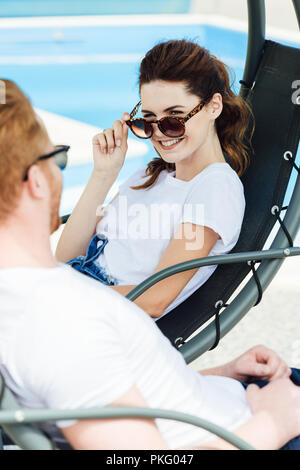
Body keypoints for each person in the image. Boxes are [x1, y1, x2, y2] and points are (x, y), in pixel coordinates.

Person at [0, 79, 300, 451]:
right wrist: (276, 421)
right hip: (256, 430)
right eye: (56, 157)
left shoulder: (31, 294)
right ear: (35, 182)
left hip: (222, 398)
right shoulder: (68, 324)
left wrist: (214, 377)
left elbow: (109, 398)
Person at [55, 40, 252, 319]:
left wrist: (62, 295)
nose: (160, 134)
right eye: (147, 121)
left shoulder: (214, 189)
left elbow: (154, 299)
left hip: (101, 317)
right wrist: (104, 173)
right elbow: (64, 258)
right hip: (76, 293)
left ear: (213, 107)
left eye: (174, 120)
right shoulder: (152, 174)